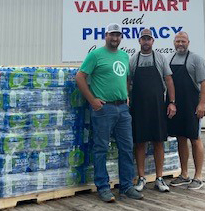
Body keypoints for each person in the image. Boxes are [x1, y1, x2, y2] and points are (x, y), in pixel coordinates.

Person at [75, 23, 143, 202]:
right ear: (106, 36)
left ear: (121, 37)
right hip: (103, 110)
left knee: (127, 148)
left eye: (118, 35)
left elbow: (126, 78)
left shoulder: (123, 56)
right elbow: (80, 76)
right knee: (101, 148)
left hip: (122, 109)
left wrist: (126, 96)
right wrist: (92, 100)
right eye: (112, 35)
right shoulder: (95, 55)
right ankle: (103, 187)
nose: (115, 38)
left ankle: (126, 186)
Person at [129, 29, 177, 193]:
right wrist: (127, 98)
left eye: (149, 39)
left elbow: (169, 80)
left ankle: (159, 178)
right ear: (139, 41)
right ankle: (141, 178)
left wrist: (172, 102)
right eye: (143, 39)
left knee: (158, 142)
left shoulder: (160, 58)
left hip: (158, 106)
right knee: (140, 143)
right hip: (139, 107)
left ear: (153, 41)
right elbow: (129, 82)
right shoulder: (133, 60)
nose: (146, 42)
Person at [167, 32, 205, 190]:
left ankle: (198, 176)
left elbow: (204, 83)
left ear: (188, 42)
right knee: (180, 139)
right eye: (177, 41)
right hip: (176, 106)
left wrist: (202, 104)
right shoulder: (170, 59)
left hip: (192, 106)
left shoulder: (196, 59)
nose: (180, 44)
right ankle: (184, 174)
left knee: (195, 138)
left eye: (183, 41)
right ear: (174, 42)